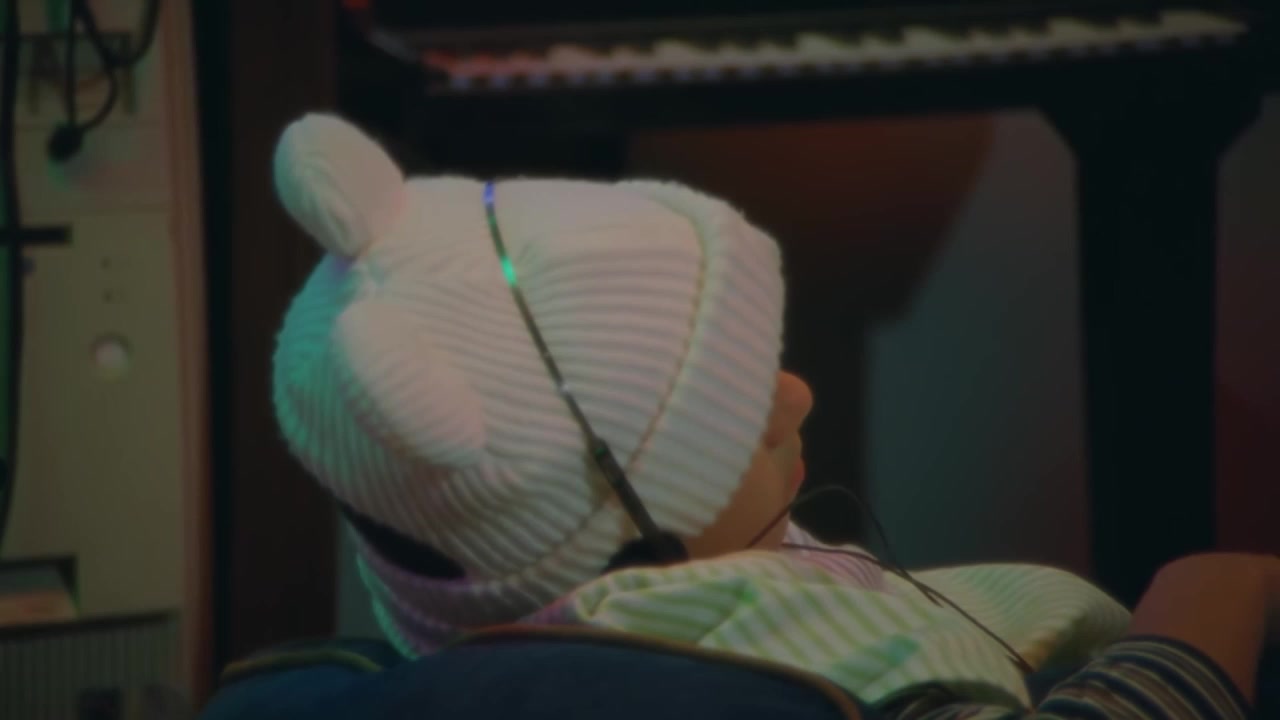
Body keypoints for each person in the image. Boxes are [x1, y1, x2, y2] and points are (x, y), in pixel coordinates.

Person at [269, 113, 1273, 719]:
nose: (796, 396)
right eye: (733, 412)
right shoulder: (765, 679)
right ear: (640, 541)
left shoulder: (506, 619)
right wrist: (1204, 601)